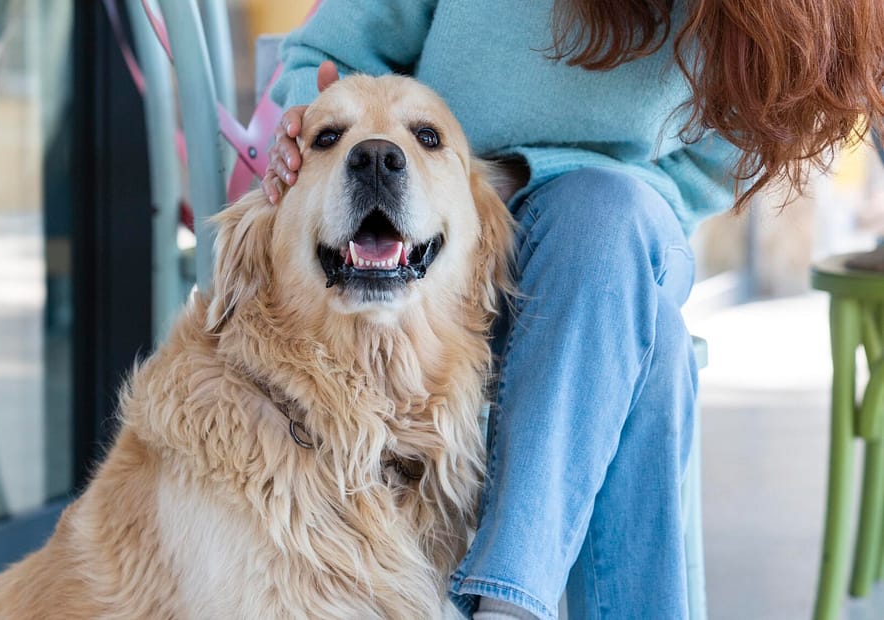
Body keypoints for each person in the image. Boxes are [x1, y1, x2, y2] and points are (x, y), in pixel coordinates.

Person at [261, 1, 884, 618]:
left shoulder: (771, 16)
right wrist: (311, 130)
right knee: (655, 348)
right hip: (439, 271)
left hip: (623, 238)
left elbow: (710, 169)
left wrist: (536, 176)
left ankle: (506, 606)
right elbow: (322, 60)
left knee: (604, 219)